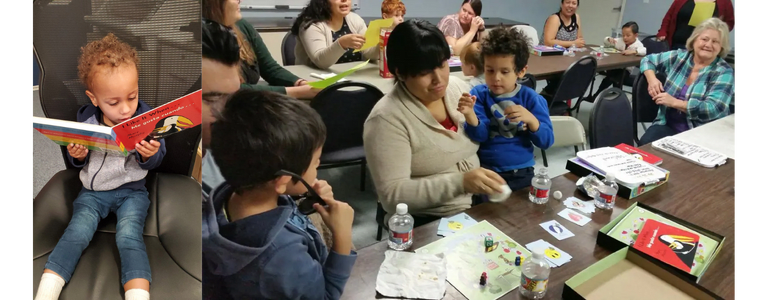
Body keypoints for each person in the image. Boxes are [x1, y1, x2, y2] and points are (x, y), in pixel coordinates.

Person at [34, 33, 165, 300]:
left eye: (132, 96)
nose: (126, 109)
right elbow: (77, 160)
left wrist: (150, 153)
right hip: (93, 193)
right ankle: (46, 293)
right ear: (94, 99)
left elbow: (157, 156)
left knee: (129, 239)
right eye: (114, 102)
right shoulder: (87, 122)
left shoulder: (144, 119)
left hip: (132, 192)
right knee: (75, 234)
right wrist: (77, 155)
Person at [202, 89, 356, 300]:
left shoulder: (230, 193)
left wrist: (303, 196)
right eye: (316, 162)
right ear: (282, 180)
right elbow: (325, 297)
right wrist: (342, 236)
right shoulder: (283, 256)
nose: (317, 167)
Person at [363, 19, 506, 225]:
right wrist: (461, 183)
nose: (439, 79)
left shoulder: (456, 89)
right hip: (428, 219)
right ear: (400, 73)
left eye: (442, 65)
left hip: (477, 204)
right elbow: (392, 196)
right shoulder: (386, 119)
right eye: (424, 72)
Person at [459, 26, 554, 191]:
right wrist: (470, 116)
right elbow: (480, 136)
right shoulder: (478, 95)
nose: (496, 78)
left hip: (521, 172)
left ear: (521, 71)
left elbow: (546, 141)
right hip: (487, 172)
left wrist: (532, 120)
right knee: (486, 215)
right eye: (490, 71)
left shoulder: (531, 98)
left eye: (505, 71)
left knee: (520, 215)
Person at [638, 17, 735, 145]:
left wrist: (675, 102)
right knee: (645, 148)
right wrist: (652, 79)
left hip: (703, 133)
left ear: (721, 47)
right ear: (694, 40)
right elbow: (647, 60)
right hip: (667, 125)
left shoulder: (723, 72)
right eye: (704, 39)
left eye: (715, 41)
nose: (708, 45)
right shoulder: (680, 57)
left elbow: (712, 109)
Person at [201, 0, 319, 100]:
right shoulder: (204, 39)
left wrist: (300, 83)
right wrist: (298, 92)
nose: (240, 0)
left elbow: (270, 68)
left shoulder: (242, 26)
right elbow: (231, 89)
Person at [292, 0, 379, 69]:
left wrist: (383, 42)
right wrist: (342, 44)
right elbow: (321, 62)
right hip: (317, 80)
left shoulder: (355, 19)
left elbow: (369, 53)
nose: (344, 0)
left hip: (353, 77)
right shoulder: (311, 25)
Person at [590, 21, 647, 100]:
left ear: (635, 35)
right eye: (623, 35)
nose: (625, 38)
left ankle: (615, 96)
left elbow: (644, 51)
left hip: (626, 70)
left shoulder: (638, 45)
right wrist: (609, 39)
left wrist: (634, 51)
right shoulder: (620, 41)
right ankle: (599, 95)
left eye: (628, 35)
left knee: (615, 79)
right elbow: (606, 42)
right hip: (616, 67)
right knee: (609, 78)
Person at [540, 0, 584, 98]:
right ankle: (547, 96)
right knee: (565, 77)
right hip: (549, 58)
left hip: (566, 57)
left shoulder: (576, 17)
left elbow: (579, 40)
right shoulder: (555, 19)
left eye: (574, 3)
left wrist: (576, 43)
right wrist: (573, 43)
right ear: (562, 4)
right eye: (568, 2)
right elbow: (549, 42)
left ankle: (557, 101)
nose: (570, 6)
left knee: (581, 72)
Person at [656, 0, 735, 50]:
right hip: (678, 44)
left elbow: (729, 24)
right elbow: (669, 17)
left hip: (704, 47)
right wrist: (662, 32)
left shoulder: (724, 2)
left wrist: (717, 27)